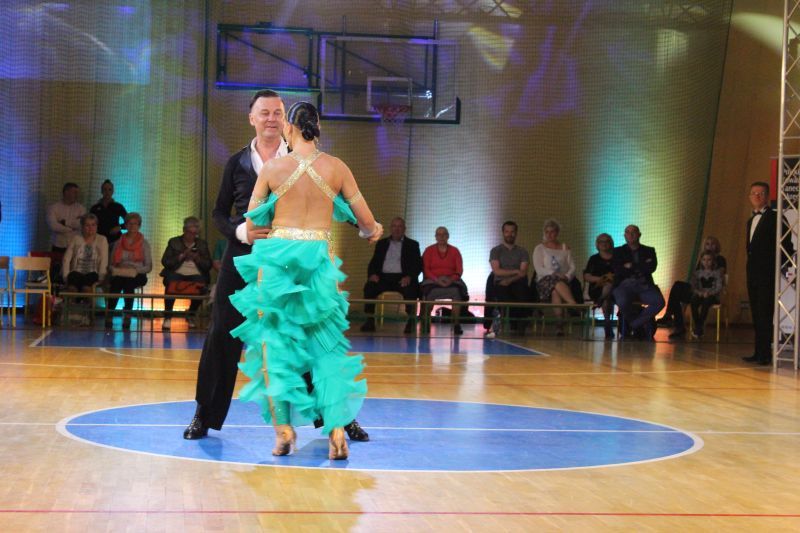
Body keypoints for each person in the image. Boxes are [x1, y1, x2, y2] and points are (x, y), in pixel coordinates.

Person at [182, 90, 370, 443]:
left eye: (278, 112)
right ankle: (204, 415)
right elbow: (219, 213)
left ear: (288, 122)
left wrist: (356, 223)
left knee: (312, 337)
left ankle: (337, 419)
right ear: (251, 118)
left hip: (291, 268)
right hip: (244, 261)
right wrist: (241, 231)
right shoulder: (237, 162)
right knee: (222, 334)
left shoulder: (306, 159)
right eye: (264, 112)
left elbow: (336, 201)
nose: (271, 118)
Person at [230, 101, 382, 460]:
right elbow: (366, 222)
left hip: (277, 262)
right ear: (317, 127)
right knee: (325, 347)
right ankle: (337, 431)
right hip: (318, 261)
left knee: (274, 345)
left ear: (290, 128)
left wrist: (278, 223)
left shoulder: (273, 168)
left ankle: (283, 432)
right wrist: (372, 231)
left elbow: (252, 223)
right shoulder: (337, 168)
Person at [743, 182, 793, 365]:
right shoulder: (750, 221)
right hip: (752, 274)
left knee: (765, 313)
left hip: (767, 274)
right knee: (756, 313)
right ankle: (758, 352)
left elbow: (787, 245)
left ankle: (765, 354)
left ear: (767, 196)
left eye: (761, 193)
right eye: (753, 193)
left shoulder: (776, 217)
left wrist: (774, 266)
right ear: (750, 197)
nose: (757, 196)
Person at [360, 217, 422, 334]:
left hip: (403, 278)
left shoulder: (413, 245)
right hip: (383, 278)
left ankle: (410, 321)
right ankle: (369, 320)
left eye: (399, 226)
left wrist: (409, 277)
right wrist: (372, 274)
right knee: (369, 287)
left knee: (411, 289)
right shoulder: (381, 244)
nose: (396, 229)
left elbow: (417, 264)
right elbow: (373, 262)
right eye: (394, 226)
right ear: (390, 228)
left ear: (404, 229)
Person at [663, 236, 727, 339]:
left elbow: (719, 276)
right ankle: (671, 317)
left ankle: (678, 323)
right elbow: (697, 277)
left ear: (717, 246)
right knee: (677, 286)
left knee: (685, 293)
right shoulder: (702, 258)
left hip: (710, 290)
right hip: (698, 289)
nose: (710, 246)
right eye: (707, 244)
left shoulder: (720, 259)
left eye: (712, 244)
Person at [612, 225, 664, 340]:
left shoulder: (649, 250)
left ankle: (635, 323)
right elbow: (618, 269)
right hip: (624, 285)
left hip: (644, 285)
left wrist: (631, 266)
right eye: (628, 232)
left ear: (639, 234)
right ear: (624, 235)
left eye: (633, 232)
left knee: (659, 302)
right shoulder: (618, 251)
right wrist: (641, 265)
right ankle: (637, 322)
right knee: (622, 301)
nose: (631, 235)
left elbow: (651, 268)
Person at [159, 216, 212, 330]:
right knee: (171, 282)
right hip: (177, 271)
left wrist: (197, 258)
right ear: (184, 230)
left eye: (194, 233)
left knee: (201, 285)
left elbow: (208, 265)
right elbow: (165, 261)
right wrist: (182, 256)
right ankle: (168, 317)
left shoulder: (202, 244)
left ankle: (191, 314)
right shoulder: (174, 242)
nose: (191, 236)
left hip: (196, 273)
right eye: (189, 232)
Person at [106, 212, 152, 329]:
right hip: (120, 272)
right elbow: (111, 263)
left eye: (135, 224)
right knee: (117, 282)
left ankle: (127, 314)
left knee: (129, 283)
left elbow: (148, 267)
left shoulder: (144, 244)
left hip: (137, 273)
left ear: (139, 226)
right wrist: (118, 268)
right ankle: (110, 313)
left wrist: (135, 269)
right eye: (129, 223)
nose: (132, 226)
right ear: (125, 225)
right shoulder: (118, 242)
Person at [532, 219, 577, 336]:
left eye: (552, 232)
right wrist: (554, 273)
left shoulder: (565, 247)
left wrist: (567, 276)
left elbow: (572, 267)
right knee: (555, 283)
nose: (549, 235)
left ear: (557, 233)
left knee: (555, 291)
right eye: (547, 232)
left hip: (563, 281)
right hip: (544, 281)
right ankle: (572, 304)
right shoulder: (540, 248)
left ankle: (559, 324)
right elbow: (539, 269)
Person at [420, 226, 469, 335]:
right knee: (428, 293)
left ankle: (456, 324)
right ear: (435, 237)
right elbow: (426, 269)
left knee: (457, 292)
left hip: (451, 281)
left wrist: (451, 280)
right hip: (432, 281)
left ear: (448, 236)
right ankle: (426, 322)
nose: (441, 237)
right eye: (439, 234)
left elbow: (459, 270)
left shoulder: (455, 251)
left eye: (444, 234)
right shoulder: (429, 250)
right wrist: (436, 279)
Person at [61, 214, 109, 324]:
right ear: (82, 227)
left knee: (86, 286)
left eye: (93, 225)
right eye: (87, 225)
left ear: (97, 226)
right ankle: (71, 315)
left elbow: (104, 260)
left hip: (93, 272)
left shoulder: (102, 240)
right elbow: (66, 258)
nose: (90, 228)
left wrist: (102, 276)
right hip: (77, 271)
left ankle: (89, 315)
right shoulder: (76, 238)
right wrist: (65, 275)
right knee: (72, 283)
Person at [485, 221, 530, 338]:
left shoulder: (523, 252)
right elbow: (497, 271)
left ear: (516, 233)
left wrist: (509, 280)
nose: (510, 234)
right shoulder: (495, 251)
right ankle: (508, 324)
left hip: (517, 282)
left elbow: (523, 272)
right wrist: (515, 271)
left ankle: (519, 325)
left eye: (512, 232)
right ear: (503, 233)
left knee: (522, 293)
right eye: (507, 232)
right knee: (504, 295)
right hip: (500, 283)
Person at [46, 182, 86, 280]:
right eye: (74, 192)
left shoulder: (81, 208)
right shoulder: (54, 207)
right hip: (58, 245)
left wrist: (65, 222)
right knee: (55, 272)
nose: (77, 195)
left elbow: (81, 224)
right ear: (66, 192)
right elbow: (53, 226)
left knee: (73, 273)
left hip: (75, 246)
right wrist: (71, 228)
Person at [583, 233, 615, 339]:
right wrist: (600, 279)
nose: (604, 244)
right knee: (607, 290)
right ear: (597, 244)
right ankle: (608, 325)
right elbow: (587, 276)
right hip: (597, 288)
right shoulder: (594, 259)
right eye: (601, 241)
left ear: (611, 243)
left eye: (606, 241)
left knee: (608, 293)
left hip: (615, 289)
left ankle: (607, 322)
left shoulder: (617, 257)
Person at [688, 251, 724, 338]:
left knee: (706, 302)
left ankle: (699, 326)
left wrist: (709, 293)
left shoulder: (717, 273)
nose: (706, 262)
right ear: (701, 261)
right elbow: (693, 286)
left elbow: (719, 287)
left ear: (713, 261)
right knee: (693, 301)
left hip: (712, 296)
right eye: (704, 260)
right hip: (700, 295)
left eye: (709, 260)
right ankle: (698, 326)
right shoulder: (697, 273)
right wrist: (699, 292)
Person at [90, 180, 128, 247]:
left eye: (109, 189)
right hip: (98, 241)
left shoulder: (118, 206)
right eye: (105, 189)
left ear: (113, 191)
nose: (107, 192)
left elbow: (129, 222)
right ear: (101, 191)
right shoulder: (94, 208)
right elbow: (89, 223)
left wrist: (120, 227)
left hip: (115, 241)